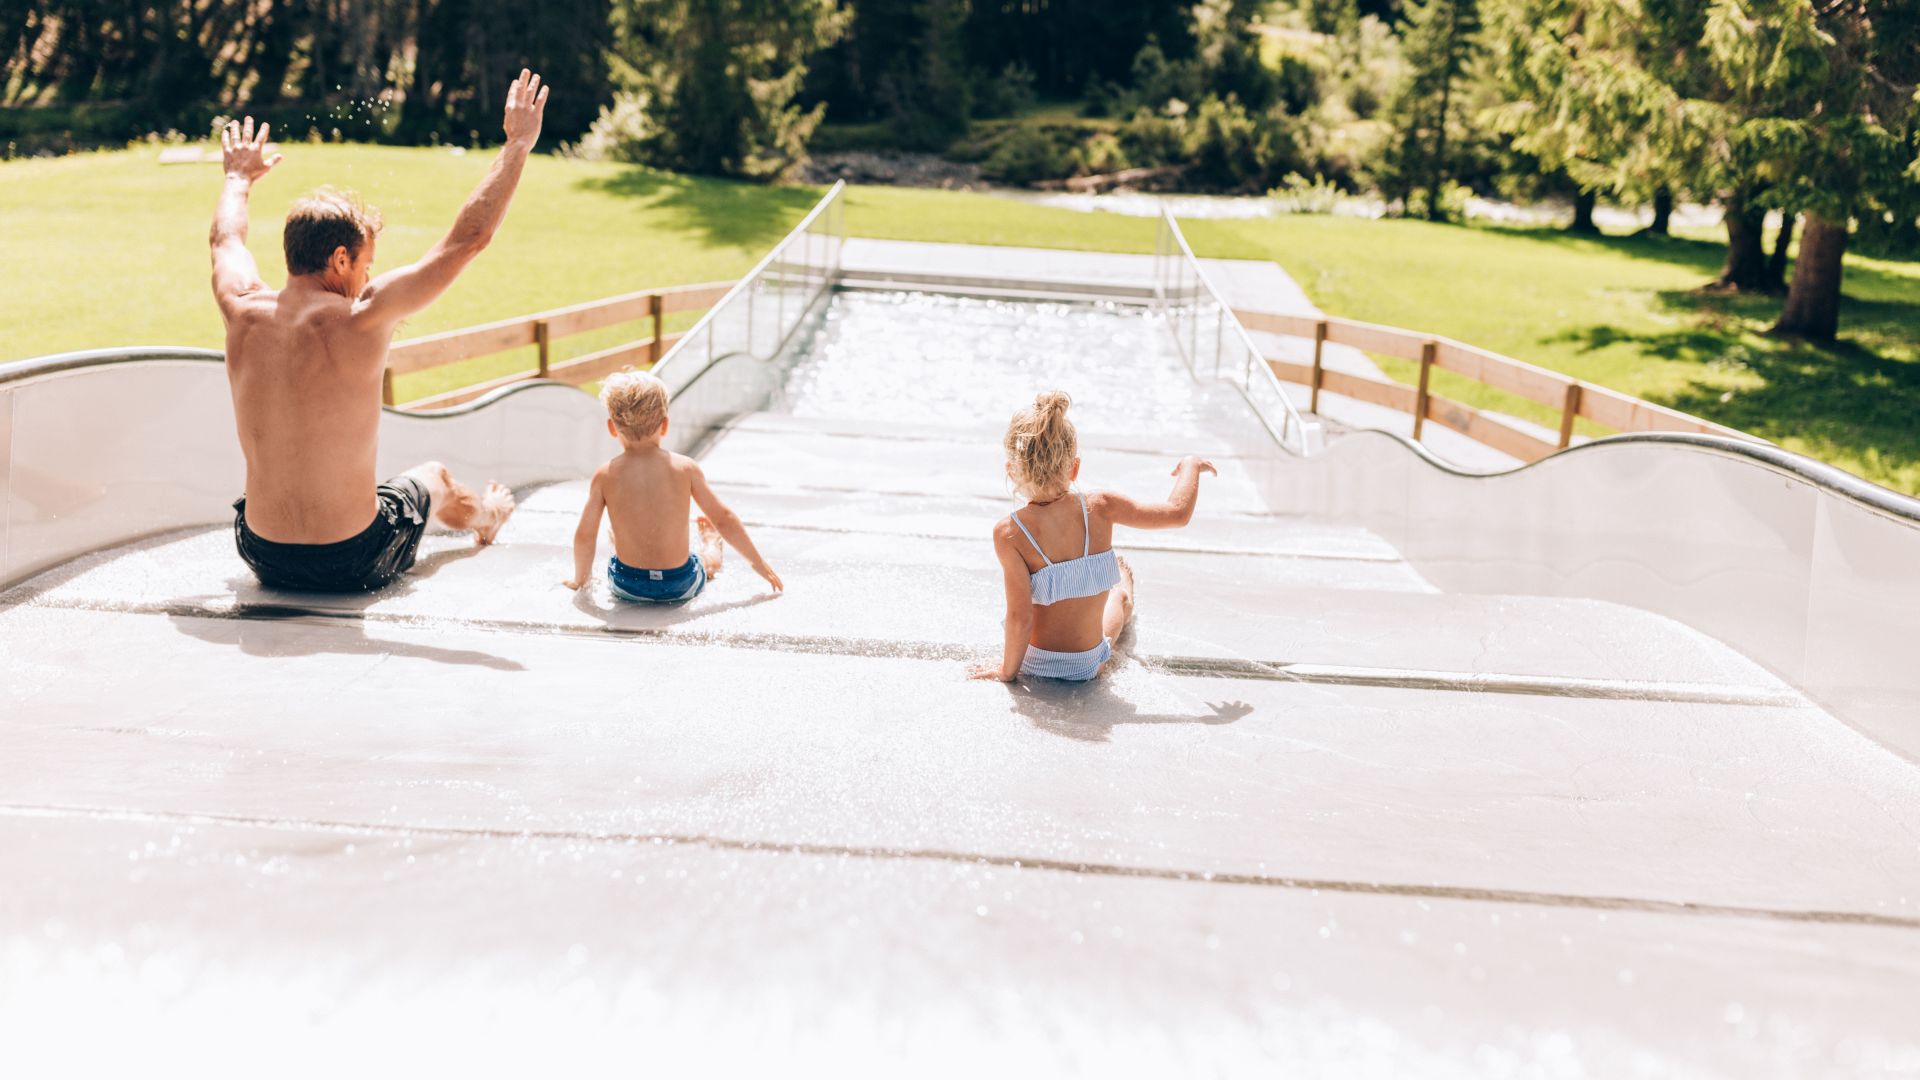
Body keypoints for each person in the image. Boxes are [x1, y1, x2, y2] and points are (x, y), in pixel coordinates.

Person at [209, 70, 552, 591]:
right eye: (367, 264)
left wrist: (238, 178)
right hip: (352, 559)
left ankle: (482, 514)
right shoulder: (362, 318)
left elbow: (224, 239)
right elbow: (466, 241)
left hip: (262, 554)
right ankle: (488, 515)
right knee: (433, 477)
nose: (369, 277)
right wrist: (518, 144)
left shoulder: (240, 306)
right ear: (340, 258)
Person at [968, 391, 1215, 683]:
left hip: (1035, 663)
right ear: (1074, 468)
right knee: (1119, 599)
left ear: (1012, 471)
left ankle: (1114, 583)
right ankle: (1122, 587)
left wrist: (1006, 672)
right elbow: (1176, 513)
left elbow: (1020, 618)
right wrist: (1191, 464)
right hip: (1088, 665)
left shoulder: (1009, 533)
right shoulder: (1101, 507)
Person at [562, 371, 784, 603]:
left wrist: (581, 580)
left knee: (614, 534)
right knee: (705, 562)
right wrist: (758, 563)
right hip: (680, 584)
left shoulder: (605, 475)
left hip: (627, 585)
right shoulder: (685, 468)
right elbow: (723, 519)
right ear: (665, 425)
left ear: (612, 427)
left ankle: (628, 548)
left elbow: (585, 535)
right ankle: (711, 548)